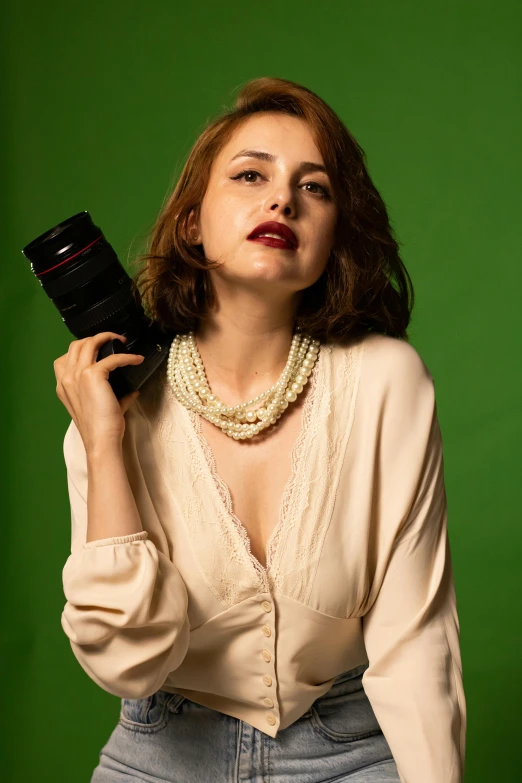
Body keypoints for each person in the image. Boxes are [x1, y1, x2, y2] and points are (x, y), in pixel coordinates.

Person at [54, 77, 467, 783]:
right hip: (160, 753)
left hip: (349, 750)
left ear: (333, 233)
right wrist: (102, 441)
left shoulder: (386, 381)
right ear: (193, 221)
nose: (282, 200)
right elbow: (130, 661)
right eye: (251, 175)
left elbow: (415, 638)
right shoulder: (115, 411)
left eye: (315, 189)